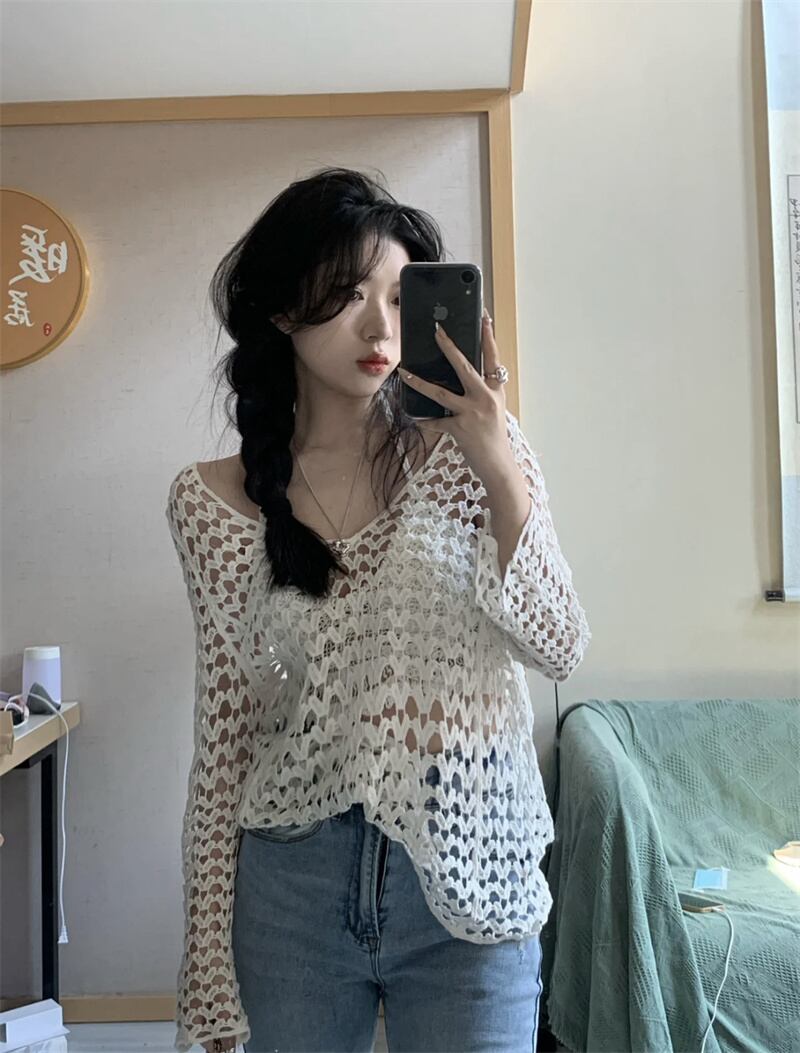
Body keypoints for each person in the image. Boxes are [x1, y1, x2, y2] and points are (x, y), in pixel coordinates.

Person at [165, 166, 592, 1053]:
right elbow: (225, 741)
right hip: (292, 883)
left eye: (400, 298)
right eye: (348, 294)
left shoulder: (473, 461)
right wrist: (205, 962)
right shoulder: (214, 505)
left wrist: (498, 464)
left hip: (470, 864)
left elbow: (558, 645)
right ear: (282, 309)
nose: (380, 328)